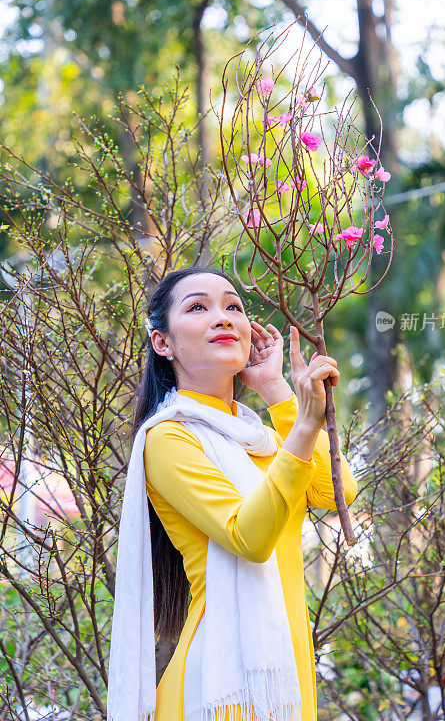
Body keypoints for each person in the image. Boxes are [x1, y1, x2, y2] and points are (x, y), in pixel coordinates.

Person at [108, 265, 358, 721]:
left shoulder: (257, 436)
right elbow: (250, 538)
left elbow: (335, 492)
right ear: (162, 343)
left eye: (234, 307)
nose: (222, 317)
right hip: (218, 687)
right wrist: (303, 425)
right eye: (198, 307)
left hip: (287, 671)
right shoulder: (168, 438)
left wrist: (277, 390)